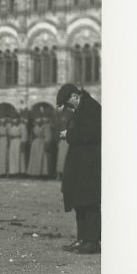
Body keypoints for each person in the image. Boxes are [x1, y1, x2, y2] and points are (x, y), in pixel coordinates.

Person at [56, 84, 101, 254]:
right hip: (81, 163)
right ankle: (82, 239)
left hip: (89, 164)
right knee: (79, 201)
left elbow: (91, 134)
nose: (68, 107)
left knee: (89, 203)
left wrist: (69, 134)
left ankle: (92, 242)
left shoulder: (92, 107)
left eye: (68, 103)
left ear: (75, 96)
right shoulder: (84, 107)